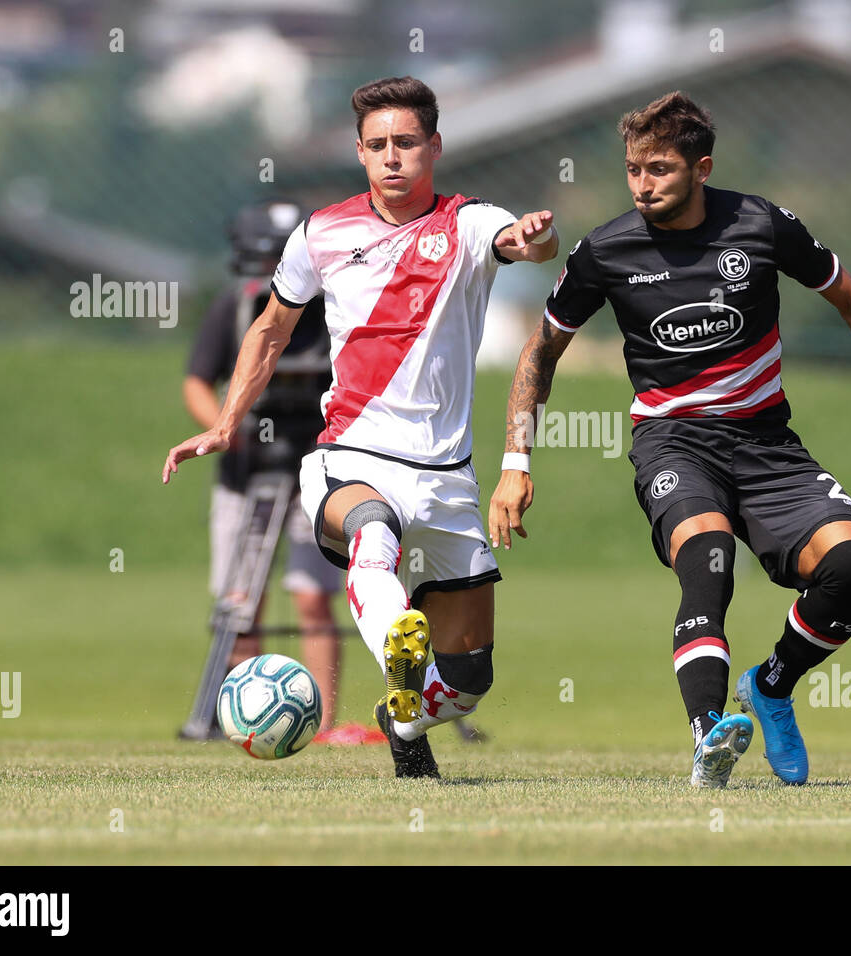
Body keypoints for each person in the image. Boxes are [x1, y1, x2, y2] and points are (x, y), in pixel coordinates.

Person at [489, 91, 851, 789]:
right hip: (673, 444)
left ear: (701, 167)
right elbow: (540, 353)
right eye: (633, 169)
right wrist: (514, 462)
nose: (642, 184)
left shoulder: (760, 225)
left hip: (767, 444)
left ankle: (771, 686)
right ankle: (708, 735)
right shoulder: (606, 250)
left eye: (658, 168)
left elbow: (850, 297)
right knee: (707, 560)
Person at [163, 76, 557, 778]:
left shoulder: (468, 224)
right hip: (350, 455)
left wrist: (535, 237)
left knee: (468, 683)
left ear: (434, 146)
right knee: (371, 530)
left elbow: (524, 245)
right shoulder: (319, 232)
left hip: (446, 477)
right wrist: (227, 422)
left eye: (406, 143)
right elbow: (270, 329)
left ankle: (401, 718)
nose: (391, 157)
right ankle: (396, 643)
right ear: (359, 152)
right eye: (377, 145)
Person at [184, 200, 360, 743]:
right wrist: (225, 427)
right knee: (242, 600)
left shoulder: (331, 310)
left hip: (314, 467)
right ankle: (243, 717)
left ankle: (323, 721)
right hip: (247, 472)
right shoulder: (233, 310)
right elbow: (196, 380)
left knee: (312, 595)